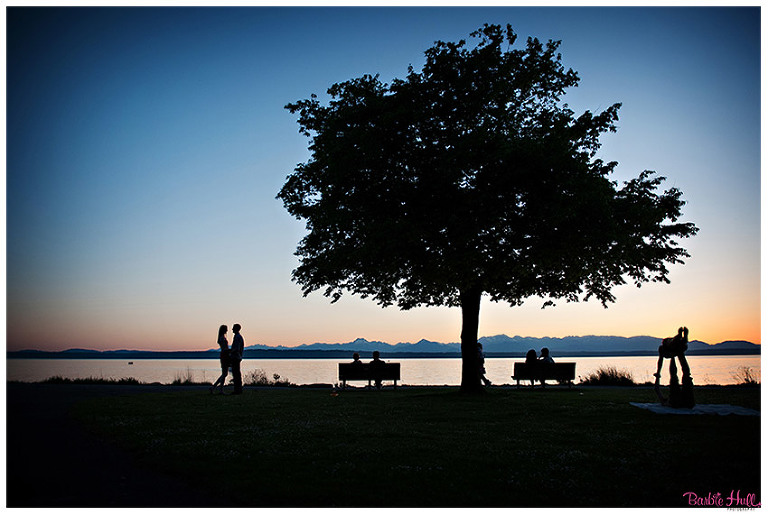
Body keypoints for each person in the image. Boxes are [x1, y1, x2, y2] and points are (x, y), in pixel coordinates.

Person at [210, 325, 229, 394]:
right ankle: (217, 388)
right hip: (224, 356)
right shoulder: (222, 338)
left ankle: (216, 388)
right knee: (224, 374)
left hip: (225, 355)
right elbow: (224, 349)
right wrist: (230, 350)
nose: (227, 330)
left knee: (224, 374)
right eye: (226, 329)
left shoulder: (222, 338)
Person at [230, 323, 244, 395]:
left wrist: (230, 351)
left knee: (236, 374)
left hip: (236, 357)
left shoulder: (237, 337)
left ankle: (237, 390)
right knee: (236, 374)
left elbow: (236, 348)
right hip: (237, 357)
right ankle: (238, 389)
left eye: (233, 328)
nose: (232, 329)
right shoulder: (238, 337)